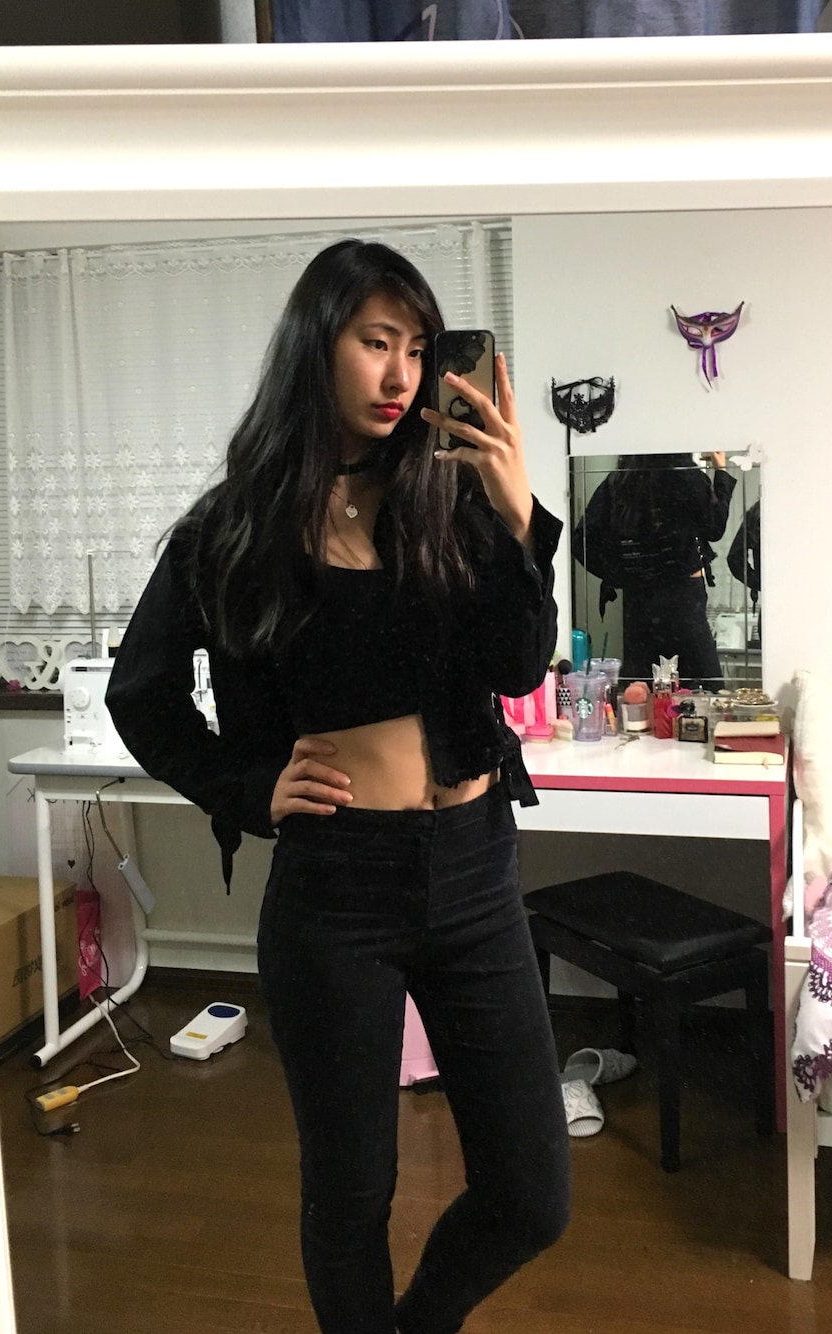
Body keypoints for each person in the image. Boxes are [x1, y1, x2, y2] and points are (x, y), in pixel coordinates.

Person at [105, 239, 570, 1334]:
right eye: (375, 342)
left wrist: (518, 517)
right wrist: (248, 784)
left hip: (474, 872)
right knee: (351, 1197)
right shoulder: (233, 529)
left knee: (531, 1193)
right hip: (337, 890)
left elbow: (517, 667)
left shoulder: (450, 499)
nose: (401, 374)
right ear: (317, 348)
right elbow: (142, 694)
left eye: (417, 348)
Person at [571, 451, 736, 690]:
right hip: (683, 596)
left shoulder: (620, 481)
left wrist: (621, 574)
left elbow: (582, 541)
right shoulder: (684, 474)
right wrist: (721, 471)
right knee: (705, 684)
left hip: (640, 598)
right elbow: (714, 527)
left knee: (641, 687)